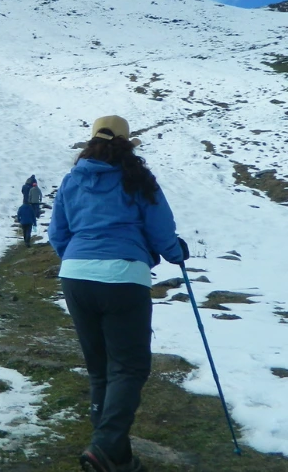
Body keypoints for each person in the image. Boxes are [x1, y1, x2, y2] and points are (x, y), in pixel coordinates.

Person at [47, 115, 189, 472]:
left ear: (91, 142)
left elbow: (57, 233)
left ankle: (115, 456)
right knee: (129, 367)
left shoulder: (71, 181)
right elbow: (160, 228)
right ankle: (107, 446)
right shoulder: (137, 179)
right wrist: (176, 252)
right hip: (124, 274)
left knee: (100, 369)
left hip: (77, 275)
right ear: (127, 143)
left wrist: (81, 260)